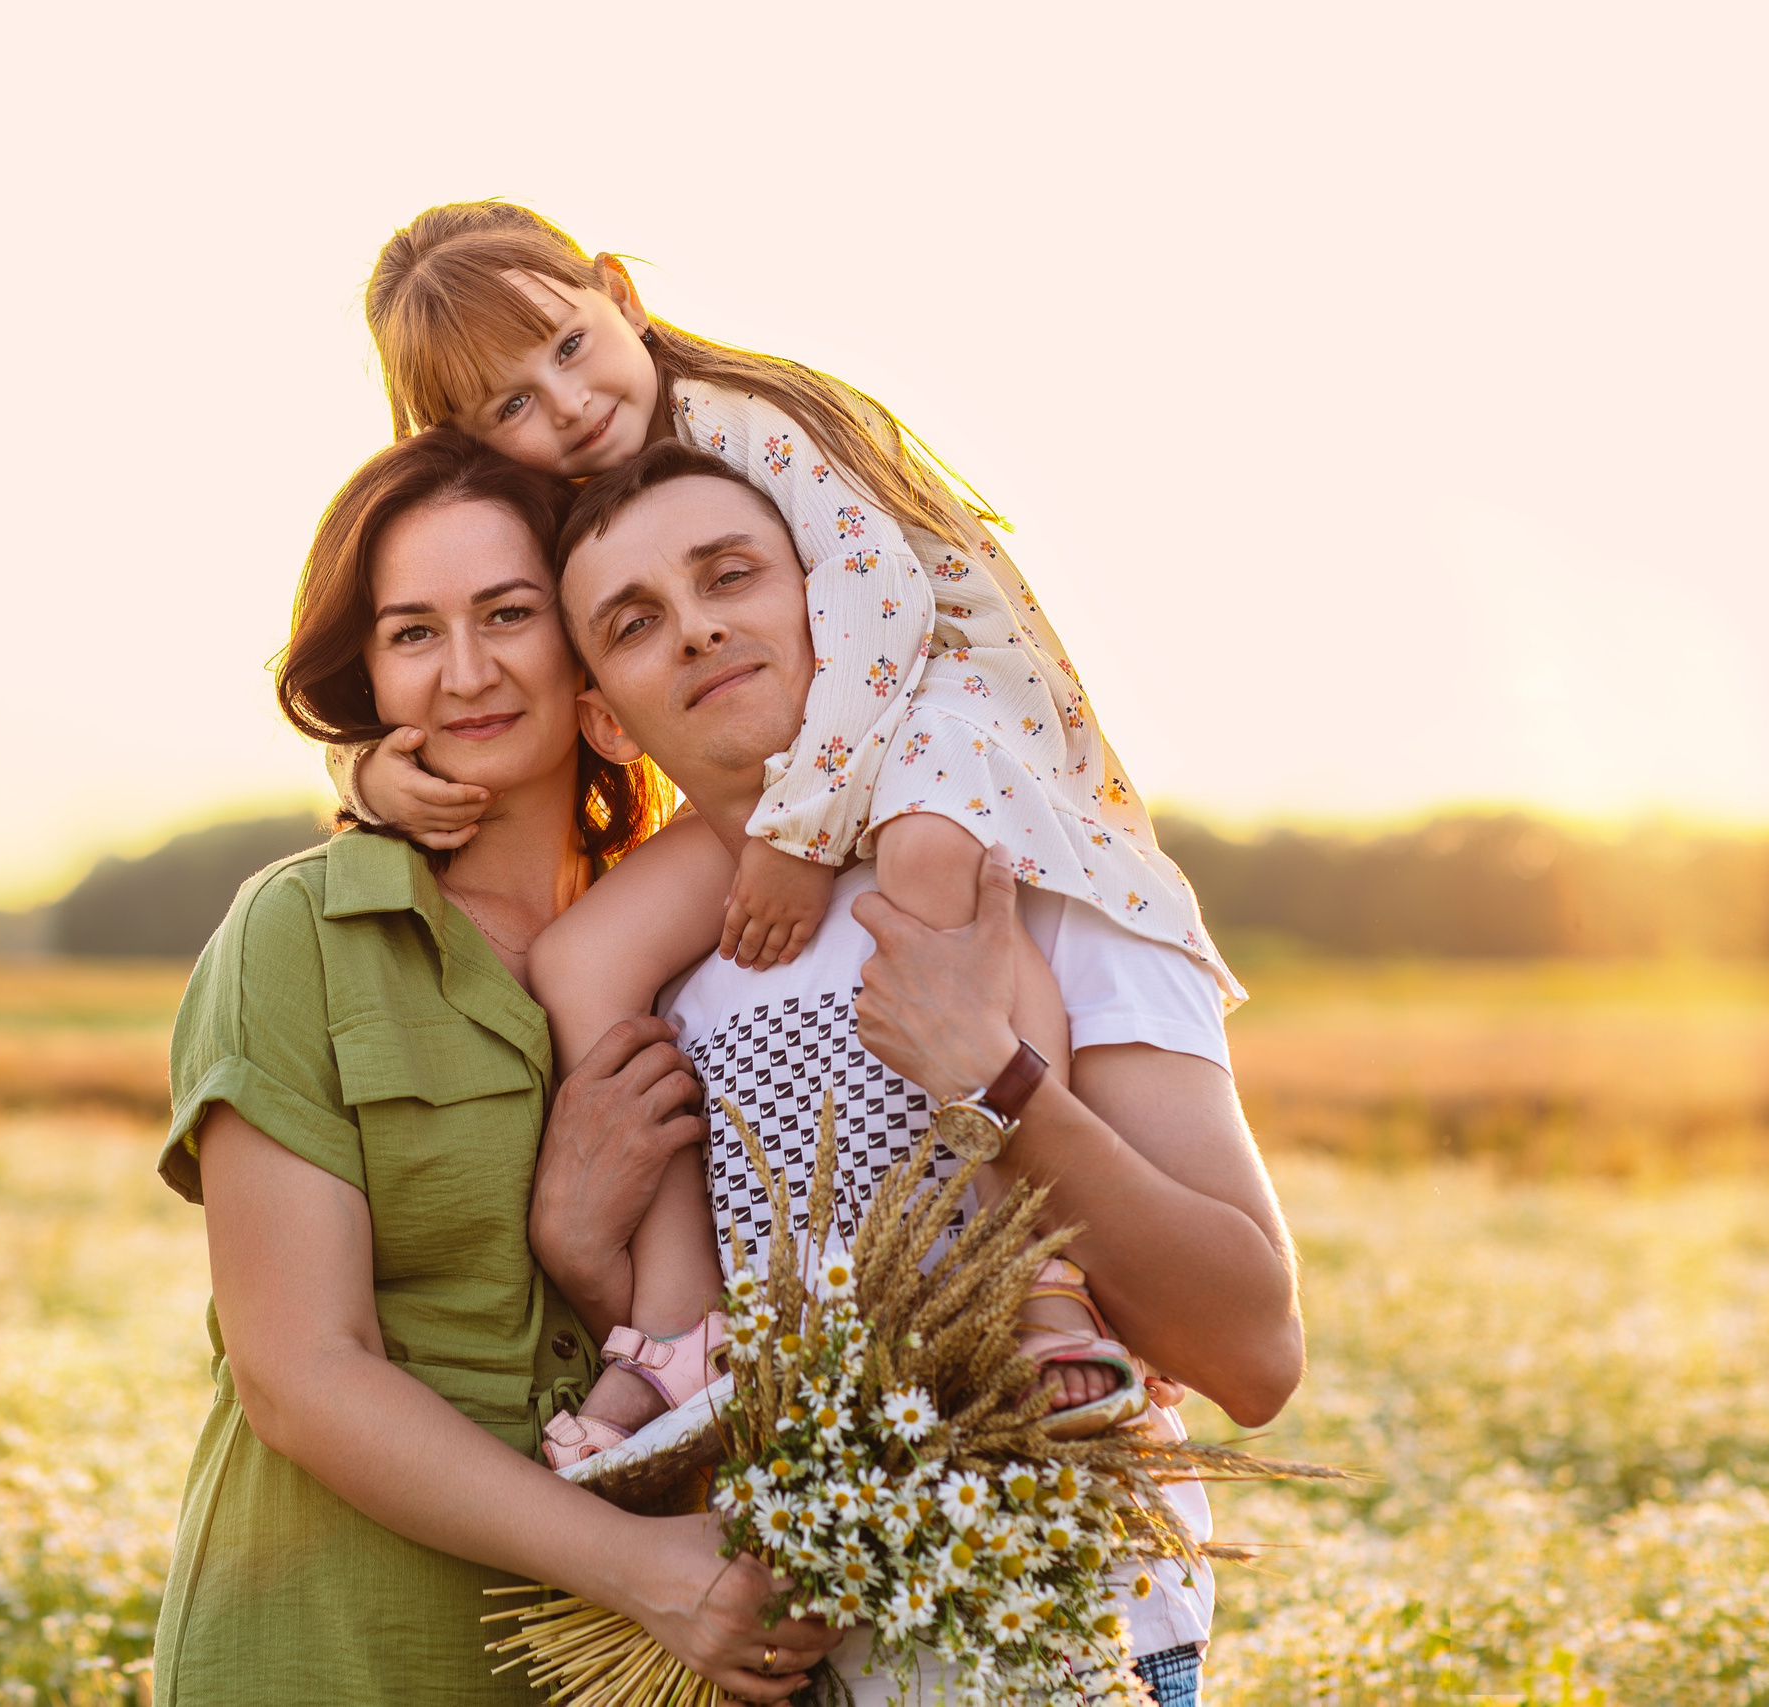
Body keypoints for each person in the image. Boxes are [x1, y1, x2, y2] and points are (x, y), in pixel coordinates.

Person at [338, 200, 1248, 1449]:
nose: (559, 406)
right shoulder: (591, 501)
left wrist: (800, 834)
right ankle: (677, 1326)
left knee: (935, 883)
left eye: (563, 346)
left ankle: (1038, 1285)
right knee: (580, 959)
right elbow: (480, 657)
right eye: (506, 406)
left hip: (941, 705)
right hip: (818, 767)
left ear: (619, 292)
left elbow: (879, 612)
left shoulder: (738, 426)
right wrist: (369, 775)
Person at [530, 445, 1306, 1704]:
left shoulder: (1045, 881)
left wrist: (995, 1079)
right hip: (792, 1633)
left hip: (1047, 1606)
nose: (697, 628)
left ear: (830, 607)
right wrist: (582, 1255)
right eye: (635, 624)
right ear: (609, 717)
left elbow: (1256, 1358)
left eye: (731, 575)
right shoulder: (648, 963)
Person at [150, 429, 841, 1704]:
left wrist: (582, 1259)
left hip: (635, 1668)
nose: (465, 672)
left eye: (509, 614)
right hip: (339, 1650)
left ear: (583, 637)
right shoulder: (302, 931)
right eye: (412, 632)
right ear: (365, 671)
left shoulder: (707, 934)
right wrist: (641, 1572)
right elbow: (300, 1373)